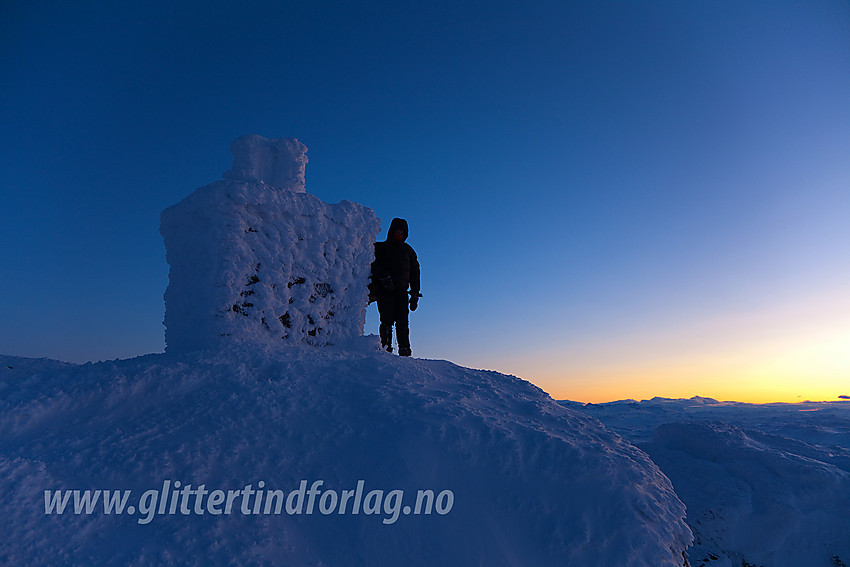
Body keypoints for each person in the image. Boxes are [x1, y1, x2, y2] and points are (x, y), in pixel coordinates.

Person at [369, 218, 420, 356]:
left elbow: (415, 273)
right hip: (385, 291)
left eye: (402, 233)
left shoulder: (408, 251)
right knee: (386, 321)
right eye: (397, 232)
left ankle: (404, 350)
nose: (399, 235)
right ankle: (386, 349)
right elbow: (371, 263)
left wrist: (415, 294)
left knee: (403, 322)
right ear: (391, 232)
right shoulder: (380, 248)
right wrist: (383, 276)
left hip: (402, 293)